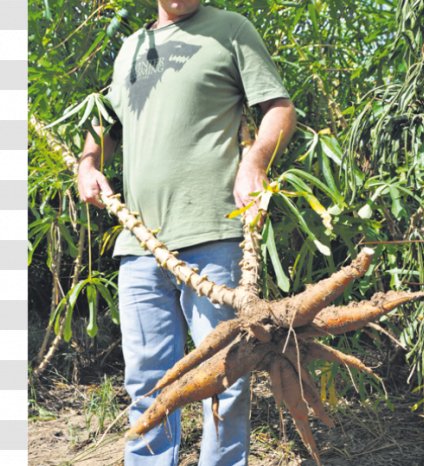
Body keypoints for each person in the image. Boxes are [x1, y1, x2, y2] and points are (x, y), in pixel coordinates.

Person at [76, 1, 296, 464]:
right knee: (146, 381)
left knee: (225, 378)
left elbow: (278, 107)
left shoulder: (230, 30)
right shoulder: (131, 47)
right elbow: (107, 122)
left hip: (213, 231)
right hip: (139, 242)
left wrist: (254, 163)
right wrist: (88, 163)